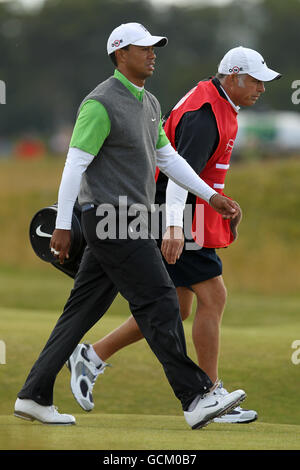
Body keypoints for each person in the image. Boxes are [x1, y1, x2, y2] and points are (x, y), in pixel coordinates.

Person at [14, 23, 246, 429]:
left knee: (80, 312)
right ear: (120, 54)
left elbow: (169, 159)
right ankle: (196, 397)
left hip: (133, 220)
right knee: (161, 301)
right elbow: (75, 165)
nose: (153, 54)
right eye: (145, 48)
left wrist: (211, 197)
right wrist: (64, 224)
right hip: (108, 219)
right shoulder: (100, 103)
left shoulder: (149, 103)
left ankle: (33, 394)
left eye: (155, 48)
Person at [65, 46, 281, 423]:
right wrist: (174, 226)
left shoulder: (220, 104)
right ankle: (211, 393)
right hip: (172, 212)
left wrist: (218, 201)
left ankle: (92, 355)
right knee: (213, 296)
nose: (262, 88)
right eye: (256, 80)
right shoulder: (204, 114)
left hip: (179, 212)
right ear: (233, 76)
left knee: (177, 308)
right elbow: (177, 172)